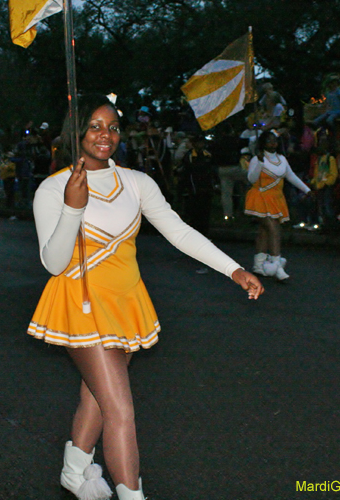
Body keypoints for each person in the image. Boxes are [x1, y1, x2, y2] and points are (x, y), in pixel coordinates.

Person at [28, 95, 263, 500]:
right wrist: (71, 208)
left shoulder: (137, 183)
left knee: (99, 398)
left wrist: (234, 269)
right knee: (120, 408)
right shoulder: (55, 188)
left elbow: (179, 232)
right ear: (77, 131)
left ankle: (74, 471)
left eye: (113, 127)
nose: (106, 135)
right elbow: (53, 262)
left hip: (127, 302)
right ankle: (131, 493)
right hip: (83, 305)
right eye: (96, 126)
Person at [244, 130, 311, 280]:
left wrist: (307, 189)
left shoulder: (282, 159)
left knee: (264, 231)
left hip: (276, 199)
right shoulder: (257, 159)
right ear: (263, 143)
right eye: (268, 141)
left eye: (274, 140)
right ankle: (276, 265)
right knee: (274, 229)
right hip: (260, 198)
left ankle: (258, 265)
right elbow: (252, 179)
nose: (272, 143)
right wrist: (260, 164)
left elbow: (291, 176)